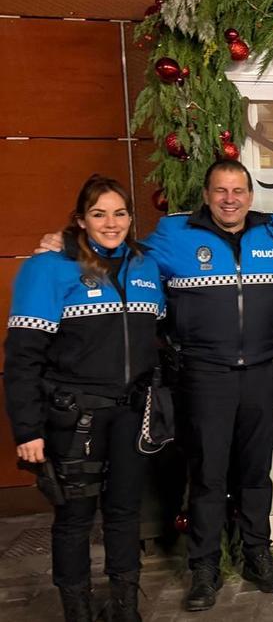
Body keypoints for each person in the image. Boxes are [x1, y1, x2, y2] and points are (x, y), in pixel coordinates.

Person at [6, 175, 164, 622]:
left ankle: (124, 605)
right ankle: (77, 610)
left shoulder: (144, 265)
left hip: (132, 414)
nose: (111, 223)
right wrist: (28, 429)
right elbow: (22, 357)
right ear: (80, 219)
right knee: (75, 519)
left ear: (132, 218)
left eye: (120, 213)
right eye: (99, 214)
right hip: (74, 419)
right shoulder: (48, 268)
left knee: (124, 512)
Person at [144, 160, 273, 610]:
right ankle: (205, 568)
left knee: (254, 474)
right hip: (204, 375)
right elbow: (119, 257)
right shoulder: (174, 235)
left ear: (250, 195)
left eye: (238, 190)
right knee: (208, 476)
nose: (230, 199)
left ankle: (257, 555)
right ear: (206, 195)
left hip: (263, 372)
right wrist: (66, 246)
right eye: (220, 190)